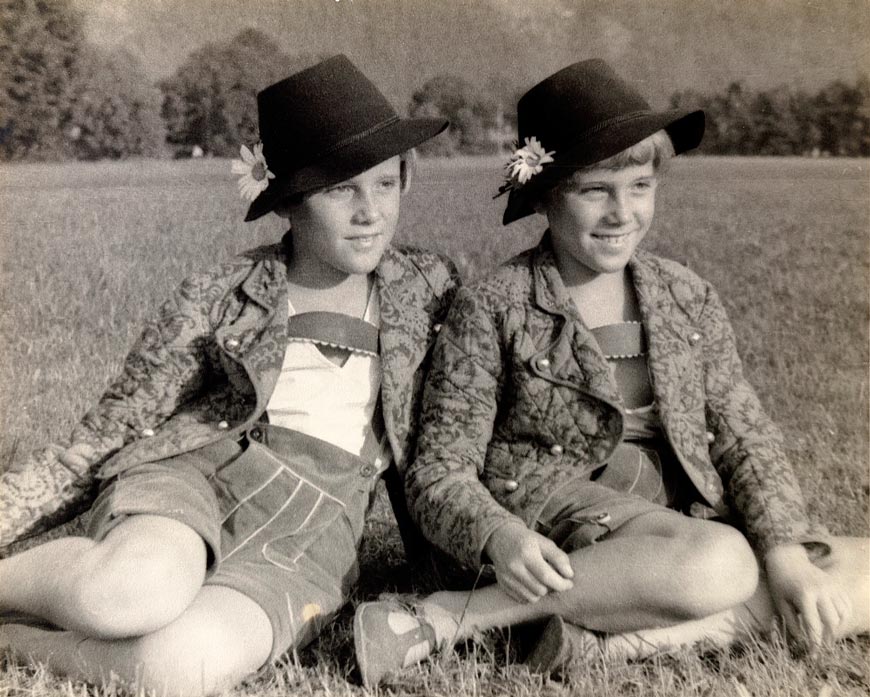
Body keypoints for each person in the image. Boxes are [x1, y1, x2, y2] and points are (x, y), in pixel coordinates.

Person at [353, 58, 869, 687]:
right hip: (562, 526)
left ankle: (609, 645)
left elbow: (744, 436)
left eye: (641, 188)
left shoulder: (687, 296)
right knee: (727, 563)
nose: (622, 213)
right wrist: (499, 536)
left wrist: (786, 555)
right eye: (595, 190)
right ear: (545, 193)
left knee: (823, 568)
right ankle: (452, 619)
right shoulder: (496, 305)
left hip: (681, 522)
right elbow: (438, 470)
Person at [0, 55, 458, 695]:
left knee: (179, 668)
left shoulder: (431, 289)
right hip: (198, 478)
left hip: (314, 536)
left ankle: (13, 638)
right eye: (340, 190)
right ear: (290, 199)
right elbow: (103, 437)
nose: (370, 212)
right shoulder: (221, 295)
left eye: (385, 185)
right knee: (128, 596)